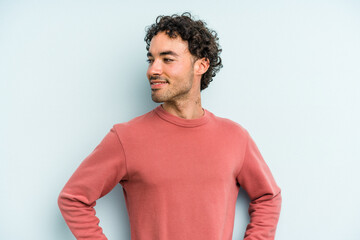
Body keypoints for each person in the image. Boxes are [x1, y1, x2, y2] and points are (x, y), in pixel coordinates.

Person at [58, 12, 282, 240]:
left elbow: (268, 196)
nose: (153, 70)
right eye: (151, 59)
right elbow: (73, 198)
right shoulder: (126, 137)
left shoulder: (235, 137)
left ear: (201, 65)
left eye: (167, 59)